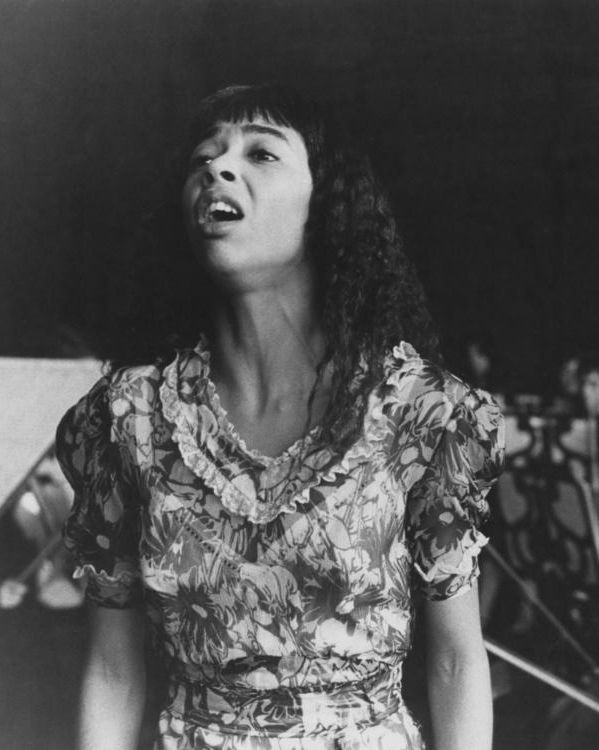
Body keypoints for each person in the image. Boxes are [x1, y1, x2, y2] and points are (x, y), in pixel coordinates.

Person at [56, 84, 504, 750]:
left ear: (325, 205)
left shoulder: (418, 413)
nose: (218, 167)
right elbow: (114, 671)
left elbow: (457, 662)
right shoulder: (129, 418)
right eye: (203, 157)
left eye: (261, 153)